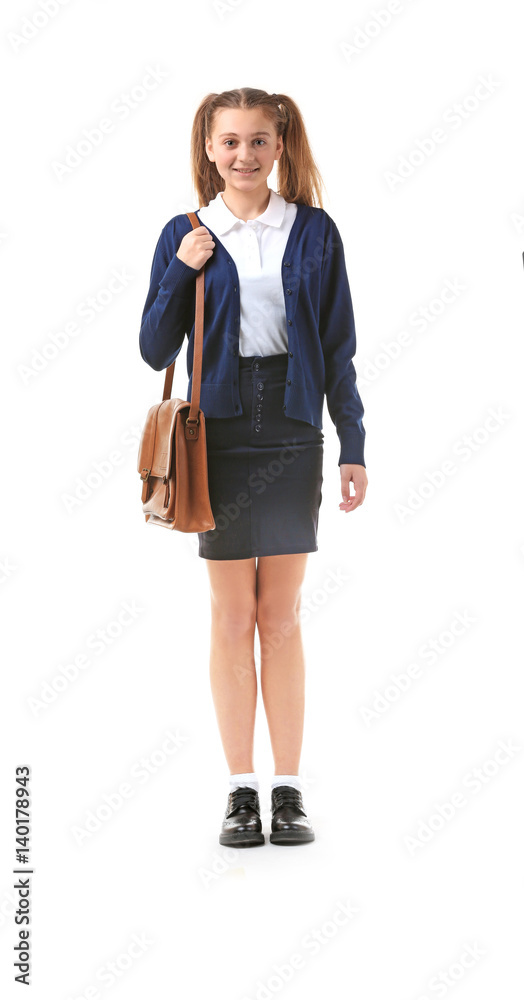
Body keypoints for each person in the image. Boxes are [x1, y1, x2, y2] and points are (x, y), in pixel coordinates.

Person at [139, 87, 368, 848]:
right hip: (221, 432)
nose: (244, 155)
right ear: (208, 148)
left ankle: (290, 790)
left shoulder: (313, 231)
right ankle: (241, 790)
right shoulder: (187, 230)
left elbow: (338, 349)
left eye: (258, 141)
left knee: (284, 616)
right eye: (229, 141)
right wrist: (182, 267)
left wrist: (354, 443)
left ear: (279, 146)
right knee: (233, 616)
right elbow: (152, 347)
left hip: (296, 426)